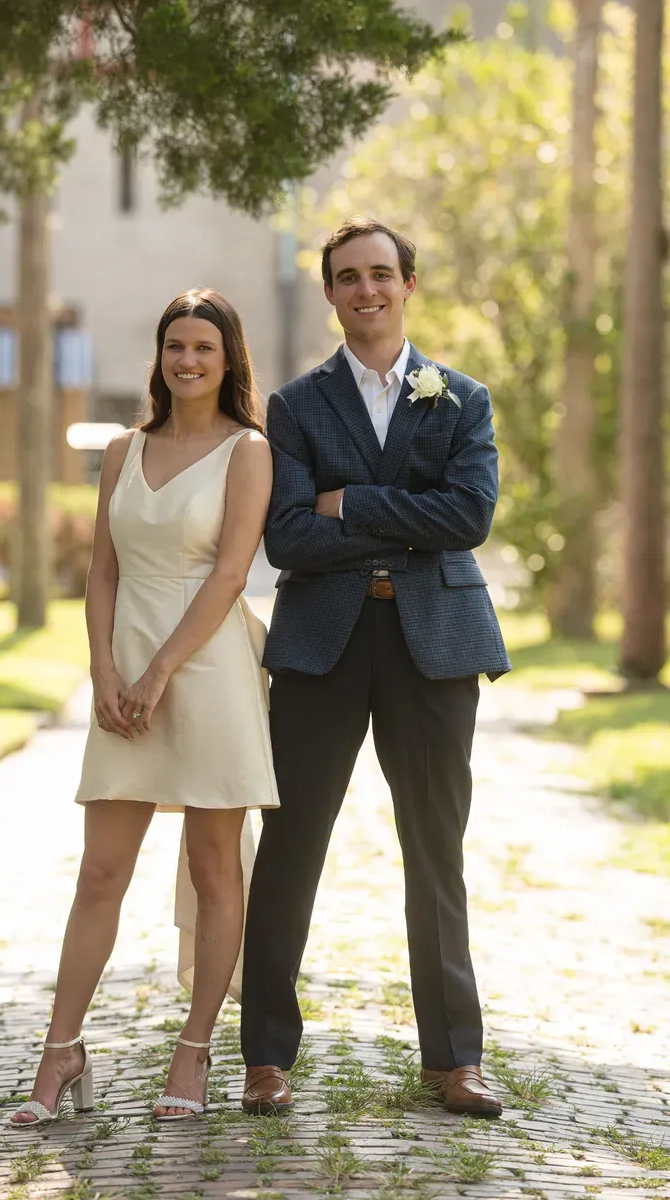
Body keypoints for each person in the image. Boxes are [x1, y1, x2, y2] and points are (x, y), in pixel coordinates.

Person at [240, 216, 511, 1119]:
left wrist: (351, 502)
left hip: (435, 649)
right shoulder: (296, 405)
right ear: (330, 294)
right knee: (291, 848)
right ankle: (266, 1056)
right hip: (324, 647)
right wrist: (403, 521)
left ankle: (454, 1058)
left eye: (382, 274)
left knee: (436, 851)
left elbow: (469, 514)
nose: (367, 290)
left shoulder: (461, 398)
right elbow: (286, 534)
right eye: (349, 277)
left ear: (408, 284)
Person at [11, 289, 277, 1127]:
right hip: (125, 673)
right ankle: (62, 1050)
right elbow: (102, 572)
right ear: (159, 356)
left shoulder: (248, 451)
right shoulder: (124, 449)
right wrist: (103, 670)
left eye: (203, 346)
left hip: (208, 671)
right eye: (174, 346)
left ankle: (195, 1050)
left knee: (214, 865)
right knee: (99, 872)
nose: (187, 360)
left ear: (228, 358)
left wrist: (161, 672)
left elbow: (231, 575)